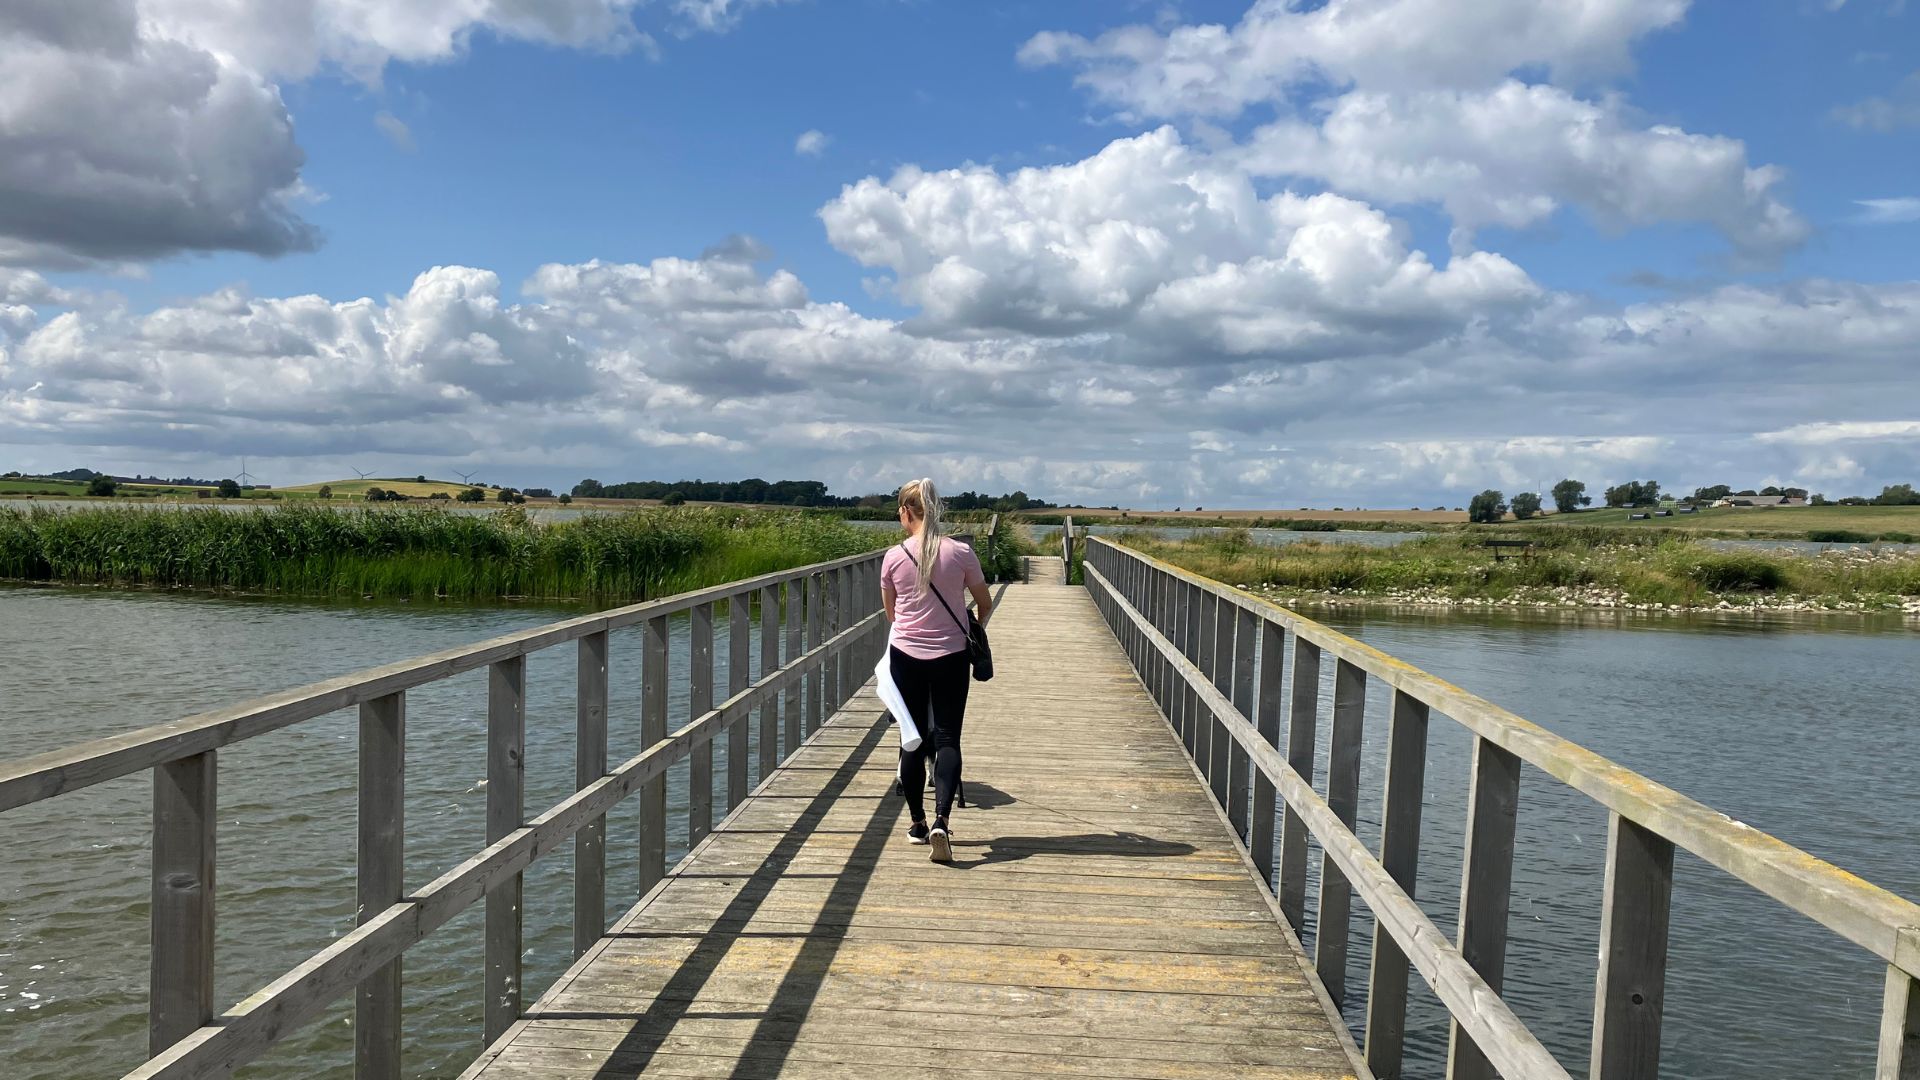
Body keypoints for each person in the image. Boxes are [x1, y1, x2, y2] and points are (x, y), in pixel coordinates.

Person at [881, 478, 992, 863]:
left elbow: (892, 614)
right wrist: (970, 627)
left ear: (908, 512)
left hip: (906, 655)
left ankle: (917, 824)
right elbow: (984, 602)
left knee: (910, 738)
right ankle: (943, 821)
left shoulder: (894, 557)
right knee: (947, 738)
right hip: (951, 656)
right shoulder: (960, 552)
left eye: (899, 511)